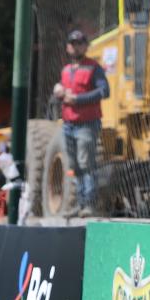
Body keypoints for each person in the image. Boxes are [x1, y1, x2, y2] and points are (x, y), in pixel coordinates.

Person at [52, 30, 109, 217]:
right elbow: (62, 96)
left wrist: (78, 99)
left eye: (79, 43)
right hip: (68, 124)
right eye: (72, 43)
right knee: (74, 165)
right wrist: (58, 92)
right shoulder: (66, 70)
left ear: (85, 46)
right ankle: (80, 203)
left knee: (86, 163)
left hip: (87, 124)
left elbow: (104, 91)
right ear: (68, 47)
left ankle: (89, 204)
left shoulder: (93, 67)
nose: (76, 46)